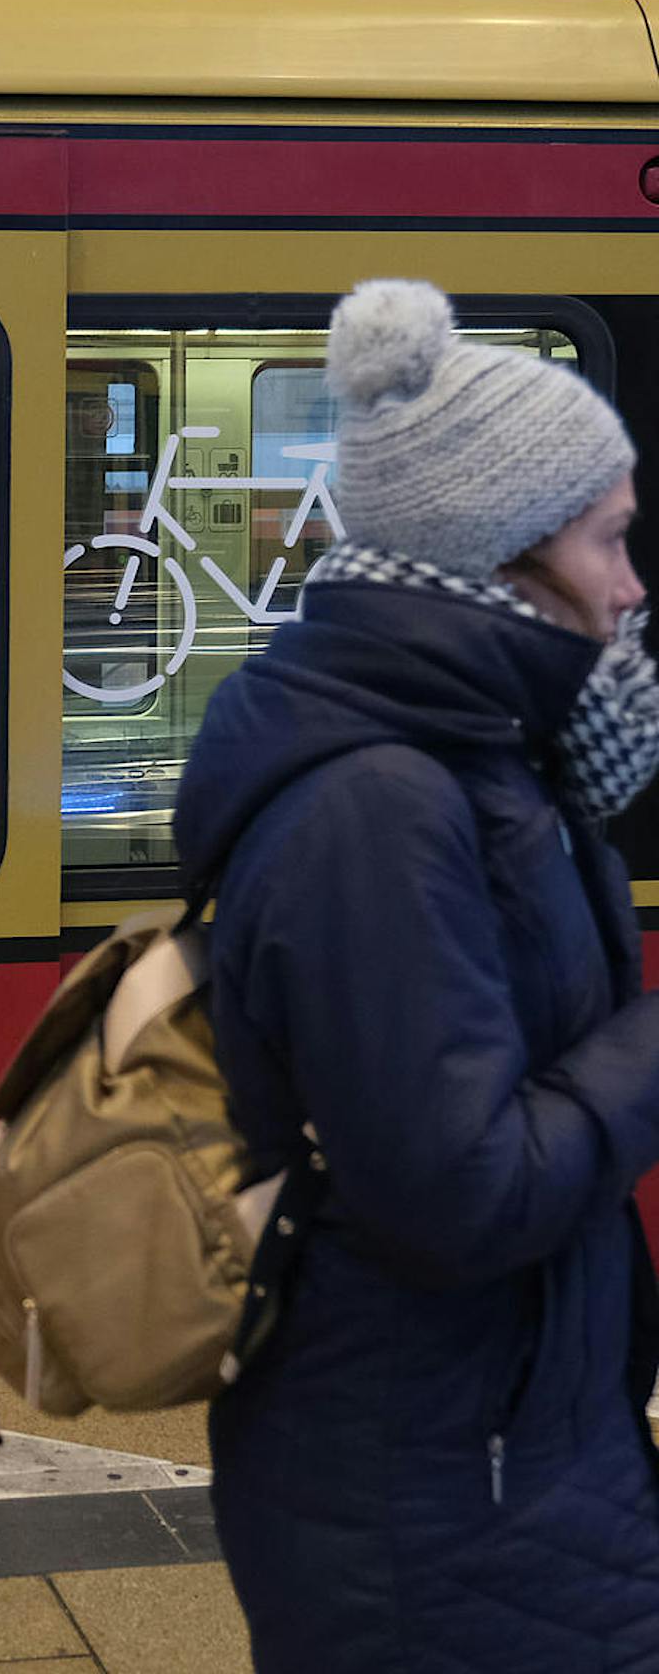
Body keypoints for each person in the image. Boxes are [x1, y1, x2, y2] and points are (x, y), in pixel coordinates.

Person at [174, 280, 659, 1669]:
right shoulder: (379, 808)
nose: (633, 589)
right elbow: (457, 1193)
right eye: (613, 541)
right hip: (428, 1494)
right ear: (507, 555)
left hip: (501, 1453)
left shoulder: (486, 757)